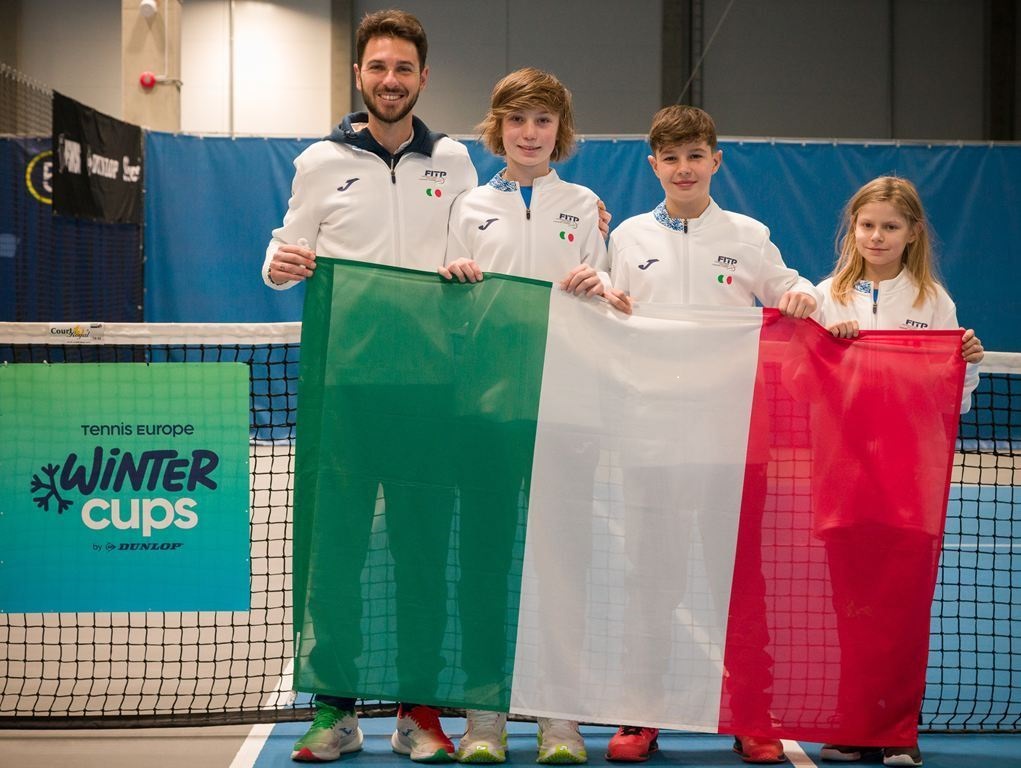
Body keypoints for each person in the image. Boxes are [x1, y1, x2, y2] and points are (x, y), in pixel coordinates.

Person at [262, 9, 477, 764]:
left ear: (423, 77)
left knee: (422, 555)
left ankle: (420, 712)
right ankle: (335, 710)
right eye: (378, 67)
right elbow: (287, 246)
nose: (391, 80)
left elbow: (483, 241)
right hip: (344, 391)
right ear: (359, 74)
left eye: (403, 68)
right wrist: (276, 266)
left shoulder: (454, 160)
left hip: (429, 392)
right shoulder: (319, 162)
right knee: (336, 554)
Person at [602, 105, 818, 765]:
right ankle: (639, 717)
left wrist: (804, 295)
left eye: (695, 155)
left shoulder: (749, 236)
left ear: (715, 161)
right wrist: (601, 296)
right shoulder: (628, 238)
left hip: (732, 441)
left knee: (740, 586)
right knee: (651, 583)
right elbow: (607, 309)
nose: (684, 168)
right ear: (653, 166)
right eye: (670, 158)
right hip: (651, 443)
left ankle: (752, 716)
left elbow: (790, 287)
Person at [439, 67, 629, 766]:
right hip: (485, 412)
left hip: (567, 410)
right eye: (517, 119)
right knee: (484, 560)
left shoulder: (584, 206)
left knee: (562, 563)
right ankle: (483, 716)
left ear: (560, 129)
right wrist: (452, 280)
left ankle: (559, 717)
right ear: (498, 127)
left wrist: (598, 282)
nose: (529, 132)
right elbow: (443, 300)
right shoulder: (466, 207)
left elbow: (610, 295)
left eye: (542, 120)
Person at [814, 176, 983, 768]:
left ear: (912, 233)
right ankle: (854, 726)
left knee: (903, 610)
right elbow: (801, 383)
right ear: (853, 230)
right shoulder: (825, 296)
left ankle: (896, 729)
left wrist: (966, 363)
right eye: (868, 225)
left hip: (909, 480)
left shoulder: (933, 302)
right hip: (842, 478)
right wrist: (826, 346)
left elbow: (954, 399)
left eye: (890, 226)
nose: (877, 236)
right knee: (848, 610)